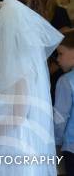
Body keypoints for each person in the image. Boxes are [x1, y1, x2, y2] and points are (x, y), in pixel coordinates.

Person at [0, 0, 64, 175]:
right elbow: (6, 107)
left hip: (15, 142)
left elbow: (18, 114)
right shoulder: (20, 64)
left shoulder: (18, 68)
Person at [54, 30, 74, 176]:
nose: (58, 59)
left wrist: (56, 140)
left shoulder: (66, 81)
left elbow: (60, 117)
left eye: (61, 53)